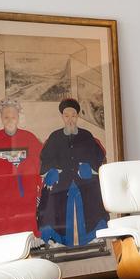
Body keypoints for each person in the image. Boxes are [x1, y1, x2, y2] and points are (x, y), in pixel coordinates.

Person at [38, 98, 108, 247]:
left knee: (93, 198)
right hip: (61, 182)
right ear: (62, 117)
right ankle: (54, 240)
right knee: (51, 200)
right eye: (67, 116)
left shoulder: (87, 136)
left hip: (85, 181)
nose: (70, 119)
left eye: (73, 115)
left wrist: (90, 168)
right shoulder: (55, 137)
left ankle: (95, 236)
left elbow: (98, 156)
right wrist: (52, 171)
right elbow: (45, 158)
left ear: (77, 117)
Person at [0, 100, 44, 240]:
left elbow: (39, 161)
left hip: (24, 191)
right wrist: (4, 167)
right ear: (1, 119)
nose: (10, 120)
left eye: (13, 117)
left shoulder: (29, 137)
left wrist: (23, 167)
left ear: (18, 118)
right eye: (6, 117)